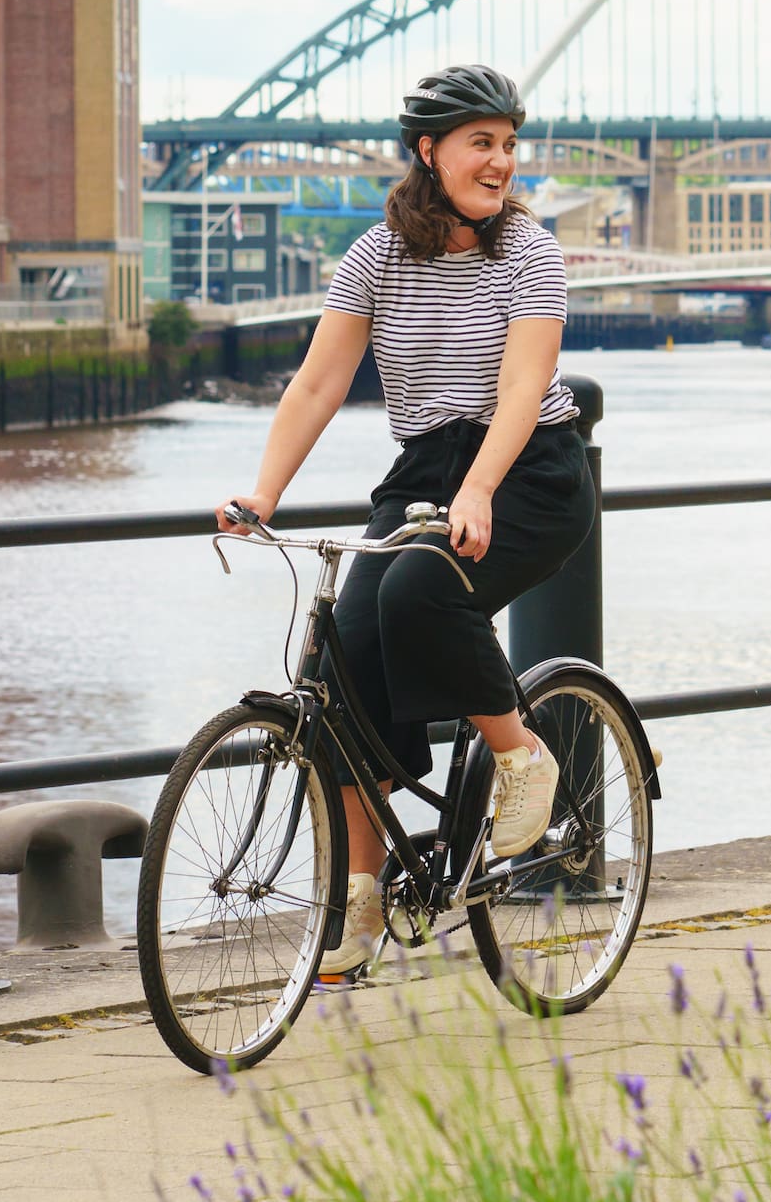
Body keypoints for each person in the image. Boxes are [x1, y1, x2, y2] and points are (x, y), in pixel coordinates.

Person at [215, 64, 594, 977]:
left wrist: (479, 490)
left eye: (509, 143)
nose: (502, 161)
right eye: (482, 142)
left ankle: (521, 756)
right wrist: (262, 493)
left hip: (530, 472)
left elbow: (518, 389)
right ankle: (360, 897)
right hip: (426, 468)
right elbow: (318, 380)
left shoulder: (530, 253)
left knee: (423, 587)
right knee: (338, 663)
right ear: (429, 150)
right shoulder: (375, 254)